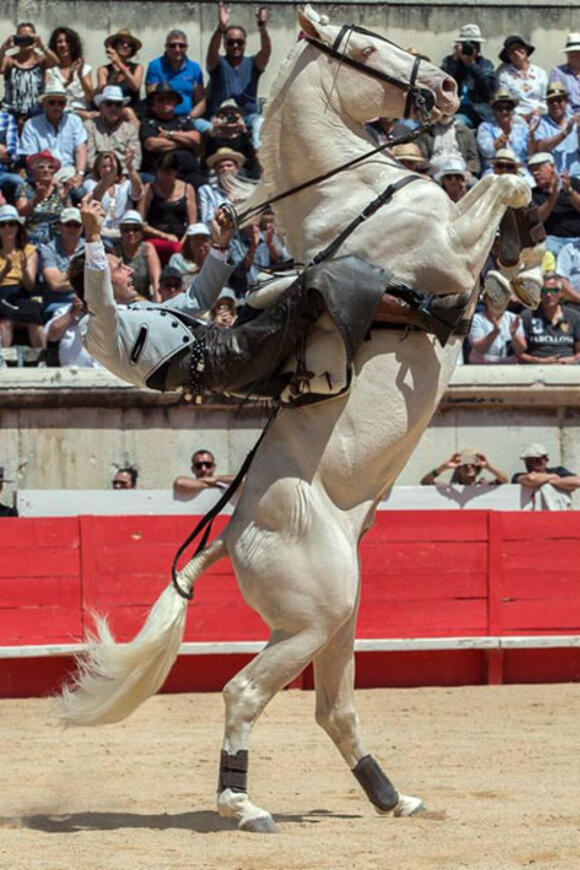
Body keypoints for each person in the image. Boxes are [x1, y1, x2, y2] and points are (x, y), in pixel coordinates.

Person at [76, 197, 427, 405]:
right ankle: (427, 312)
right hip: (217, 358)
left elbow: (197, 299)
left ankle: (301, 378)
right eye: (115, 266)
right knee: (317, 283)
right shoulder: (95, 328)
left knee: (271, 286)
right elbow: (100, 302)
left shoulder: (138, 310)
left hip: (222, 349)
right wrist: (93, 236)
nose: (124, 266)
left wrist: (220, 246)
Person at [206, 1, 271, 147]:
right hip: (218, 118)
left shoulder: (253, 63)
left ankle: (258, 160)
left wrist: (262, 29)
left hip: (247, 118)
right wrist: (220, 28)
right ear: (224, 44)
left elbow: (266, 52)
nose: (235, 46)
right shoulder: (218, 63)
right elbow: (211, 51)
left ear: (245, 43)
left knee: (260, 122)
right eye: (231, 42)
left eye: (239, 42)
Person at [18, 84, 87, 189]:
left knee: (80, 192)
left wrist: (79, 174)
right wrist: (48, 178)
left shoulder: (75, 121)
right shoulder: (31, 124)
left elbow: (80, 149)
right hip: (42, 174)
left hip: (69, 172)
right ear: (44, 104)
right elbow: (31, 157)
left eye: (60, 103)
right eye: (52, 102)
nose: (56, 106)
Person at [139, 82, 204, 187]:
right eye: (160, 99)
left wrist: (169, 134)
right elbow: (151, 144)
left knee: (204, 187)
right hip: (158, 174)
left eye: (169, 99)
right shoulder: (148, 122)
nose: (165, 102)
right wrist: (184, 142)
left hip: (188, 173)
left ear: (175, 102)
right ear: (154, 103)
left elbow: (196, 139)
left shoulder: (184, 120)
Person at [0, 204, 44, 350]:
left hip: (22, 292)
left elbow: (30, 285)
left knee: (34, 317)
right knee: (5, 319)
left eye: (12, 224)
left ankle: (42, 360)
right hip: (1, 292)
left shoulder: (29, 250)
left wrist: (24, 269)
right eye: (3, 224)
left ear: (18, 227)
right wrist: (5, 271)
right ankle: (3, 360)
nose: (7, 228)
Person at [139, 152, 197, 259]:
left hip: (181, 238)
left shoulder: (187, 189)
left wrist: (183, 241)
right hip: (156, 237)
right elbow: (140, 222)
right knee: (174, 249)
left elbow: (192, 224)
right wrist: (164, 236)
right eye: (161, 172)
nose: (164, 177)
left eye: (169, 173)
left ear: (176, 172)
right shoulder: (149, 189)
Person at [145, 30, 207, 127]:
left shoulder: (195, 68)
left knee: (211, 130)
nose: (177, 49)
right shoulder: (155, 66)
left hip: (189, 118)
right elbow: (152, 99)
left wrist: (189, 118)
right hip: (161, 119)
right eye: (172, 46)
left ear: (186, 48)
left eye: (181, 46)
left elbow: (200, 101)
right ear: (166, 47)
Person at [0, 22, 58, 124]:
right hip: (10, 112)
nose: (25, 40)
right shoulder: (10, 60)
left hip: (35, 112)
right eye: (22, 36)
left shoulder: (40, 60)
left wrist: (42, 46)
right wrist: (4, 48)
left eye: (29, 36)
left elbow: (56, 62)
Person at [517, 273, 580, 363]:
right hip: (536, 369)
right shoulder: (527, 316)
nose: (549, 295)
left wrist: (571, 360)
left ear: (561, 293)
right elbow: (518, 354)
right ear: (539, 294)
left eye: (554, 291)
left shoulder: (574, 317)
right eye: (544, 291)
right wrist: (540, 361)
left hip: (567, 369)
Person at [441, 24, 495, 128]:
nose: (469, 48)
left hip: (481, 112)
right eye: (466, 44)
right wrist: (455, 60)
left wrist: (471, 65)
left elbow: (488, 90)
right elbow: (443, 85)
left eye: (474, 44)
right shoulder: (450, 62)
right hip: (455, 110)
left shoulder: (485, 65)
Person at [83, 149, 143, 240]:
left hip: (124, 234)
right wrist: (110, 175)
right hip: (101, 234)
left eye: (111, 166)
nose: (108, 169)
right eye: (104, 166)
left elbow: (138, 193)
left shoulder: (125, 185)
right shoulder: (90, 183)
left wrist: (130, 168)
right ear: (97, 168)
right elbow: (96, 197)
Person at [529, 152, 580, 257]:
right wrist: (553, 196)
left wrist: (569, 191)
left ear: (552, 167)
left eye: (538, 169)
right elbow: (537, 219)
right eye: (532, 170)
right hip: (553, 241)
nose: (535, 173)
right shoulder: (534, 194)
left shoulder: (573, 183)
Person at [16, 151, 71, 245]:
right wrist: (37, 199)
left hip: (58, 237)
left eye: (50, 167)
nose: (46, 170)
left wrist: (65, 201)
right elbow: (21, 212)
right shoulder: (24, 187)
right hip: (33, 236)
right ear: (33, 171)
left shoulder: (60, 188)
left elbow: (71, 215)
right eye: (41, 167)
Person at [468, 271, 524, 363]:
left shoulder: (514, 319)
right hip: (481, 369)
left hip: (510, 369)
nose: (497, 300)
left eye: (503, 297)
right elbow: (478, 349)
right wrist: (494, 332)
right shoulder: (476, 319)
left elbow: (521, 350)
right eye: (492, 297)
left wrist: (514, 335)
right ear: (485, 299)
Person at [84, 85, 142, 173]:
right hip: (97, 176)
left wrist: (120, 174)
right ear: (101, 107)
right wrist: (106, 173)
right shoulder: (89, 126)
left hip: (124, 175)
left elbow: (135, 159)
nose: (113, 108)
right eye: (109, 104)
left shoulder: (130, 129)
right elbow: (88, 159)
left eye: (118, 104)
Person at [40, 206, 85, 316]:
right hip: (57, 304)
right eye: (68, 225)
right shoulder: (48, 249)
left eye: (77, 225)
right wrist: (82, 280)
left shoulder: (89, 248)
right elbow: (55, 284)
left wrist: (65, 279)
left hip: (86, 303)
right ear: (59, 227)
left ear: (83, 228)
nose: (73, 229)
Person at [476, 89, 530, 177]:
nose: (504, 112)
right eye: (499, 108)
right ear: (494, 110)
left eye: (508, 108)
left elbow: (528, 153)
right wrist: (502, 138)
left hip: (519, 169)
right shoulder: (485, 127)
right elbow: (487, 152)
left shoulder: (521, 128)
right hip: (495, 169)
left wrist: (532, 135)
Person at [530, 83, 580, 178]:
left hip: (576, 175)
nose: (555, 104)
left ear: (566, 101)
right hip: (552, 178)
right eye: (551, 101)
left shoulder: (575, 121)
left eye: (559, 100)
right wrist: (564, 134)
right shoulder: (541, 122)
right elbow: (541, 147)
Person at [44, 283, 98, 367]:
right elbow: (52, 336)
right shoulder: (65, 311)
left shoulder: (110, 311)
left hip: (103, 371)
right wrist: (72, 313)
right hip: (72, 371)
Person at [46, 27, 94, 119]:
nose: (63, 45)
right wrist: (69, 79)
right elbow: (49, 96)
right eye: (59, 42)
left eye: (67, 41)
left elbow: (90, 97)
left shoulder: (85, 69)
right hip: (58, 113)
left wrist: (80, 75)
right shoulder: (50, 71)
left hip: (82, 112)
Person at [204, 100, 260, 179]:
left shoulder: (244, 138)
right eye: (225, 115)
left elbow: (252, 160)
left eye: (232, 114)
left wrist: (243, 131)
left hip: (241, 175)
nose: (229, 117)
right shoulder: (213, 138)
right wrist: (215, 130)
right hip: (217, 174)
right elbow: (206, 159)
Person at [496, 35, 547, 121]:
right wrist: (521, 116)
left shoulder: (540, 73)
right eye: (511, 51)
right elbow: (504, 101)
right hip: (515, 118)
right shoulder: (504, 75)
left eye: (519, 48)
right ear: (508, 56)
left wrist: (538, 111)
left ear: (526, 50)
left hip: (539, 115)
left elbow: (545, 98)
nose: (516, 52)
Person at [114, 210, 161, 301]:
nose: (131, 233)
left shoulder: (147, 249)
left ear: (142, 232)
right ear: (121, 232)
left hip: (145, 302)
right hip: (122, 302)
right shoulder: (116, 251)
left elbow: (156, 281)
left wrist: (158, 305)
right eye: (126, 230)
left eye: (135, 229)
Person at [97, 29, 144, 119]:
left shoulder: (138, 67)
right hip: (109, 110)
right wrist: (115, 74)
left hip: (132, 110)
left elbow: (135, 86)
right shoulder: (103, 70)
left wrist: (120, 64)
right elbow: (102, 91)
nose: (125, 46)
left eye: (129, 45)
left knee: (128, 112)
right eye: (122, 43)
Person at [419, 114, 480, 181]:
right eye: (443, 112)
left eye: (448, 111)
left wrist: (469, 171)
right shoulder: (426, 133)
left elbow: (473, 157)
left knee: (473, 184)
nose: (445, 114)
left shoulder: (465, 132)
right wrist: (432, 172)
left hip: (461, 172)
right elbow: (422, 158)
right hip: (434, 173)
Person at [197, 146, 244, 225]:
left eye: (229, 165)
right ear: (215, 170)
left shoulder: (246, 190)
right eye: (221, 166)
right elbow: (206, 219)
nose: (225, 169)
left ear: (237, 169)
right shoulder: (206, 190)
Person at [512, 443, 580, 495]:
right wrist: (554, 477)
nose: (534, 465)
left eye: (538, 461)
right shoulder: (518, 476)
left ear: (546, 460)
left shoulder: (558, 471)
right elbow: (531, 479)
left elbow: (577, 482)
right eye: (529, 461)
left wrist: (552, 481)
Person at [420, 450, 508, 486]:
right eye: (465, 464)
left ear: (478, 468)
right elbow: (425, 482)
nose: (469, 466)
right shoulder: (452, 488)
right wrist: (443, 467)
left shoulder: (483, 485)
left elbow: (504, 480)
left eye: (473, 464)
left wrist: (488, 467)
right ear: (458, 469)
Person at [168, 221, 211, 288]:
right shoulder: (177, 259)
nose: (199, 242)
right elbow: (174, 279)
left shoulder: (213, 258)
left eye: (203, 239)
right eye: (196, 238)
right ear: (189, 241)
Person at [549, 33, 580, 114]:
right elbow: (556, 98)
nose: (575, 55)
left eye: (578, 51)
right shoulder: (557, 73)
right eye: (571, 52)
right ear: (567, 54)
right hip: (568, 116)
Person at [0, 107, 24, 203]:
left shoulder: (7, 118)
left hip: (2, 173)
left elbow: (13, 155)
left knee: (18, 181)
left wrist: (6, 154)